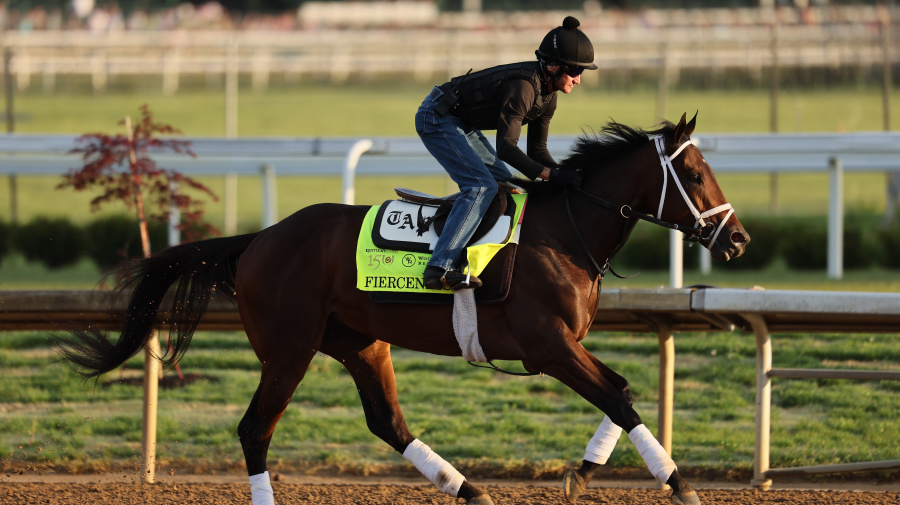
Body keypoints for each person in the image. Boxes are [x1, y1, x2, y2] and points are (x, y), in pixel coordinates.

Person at [415, 15, 597, 291]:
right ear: (553, 66)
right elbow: (507, 148)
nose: (579, 80)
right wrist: (548, 174)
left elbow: (537, 151)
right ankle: (440, 266)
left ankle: (480, 254)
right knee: (480, 187)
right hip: (436, 116)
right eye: (575, 72)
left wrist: (560, 172)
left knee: (508, 186)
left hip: (460, 122)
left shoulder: (548, 96)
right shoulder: (523, 87)